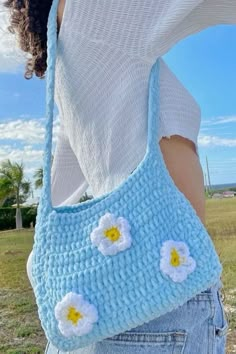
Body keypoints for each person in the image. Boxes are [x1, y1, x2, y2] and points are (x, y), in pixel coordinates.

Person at [4, 0, 235, 353]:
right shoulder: (92, 9)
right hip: (164, 301)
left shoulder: (68, 38)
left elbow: (70, 167)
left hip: (103, 309)